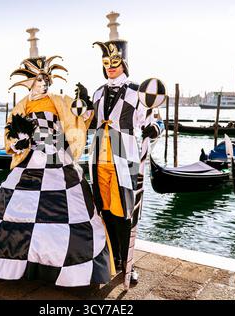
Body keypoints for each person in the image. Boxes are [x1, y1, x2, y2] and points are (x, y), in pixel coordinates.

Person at [0, 33, 114, 287]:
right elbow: (10, 136)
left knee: (67, 211)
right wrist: (17, 141)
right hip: (31, 159)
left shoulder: (60, 101)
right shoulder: (20, 107)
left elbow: (81, 115)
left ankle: (61, 266)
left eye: (46, 79)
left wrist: (86, 103)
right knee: (17, 207)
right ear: (29, 82)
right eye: (39, 79)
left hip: (58, 157)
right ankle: (23, 263)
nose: (43, 83)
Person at [77, 13, 163, 285]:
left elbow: (155, 121)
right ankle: (111, 257)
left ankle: (128, 263)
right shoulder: (99, 92)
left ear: (123, 62)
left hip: (125, 154)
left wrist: (153, 130)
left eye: (114, 62)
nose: (109, 67)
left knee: (125, 211)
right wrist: (80, 108)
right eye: (105, 63)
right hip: (99, 153)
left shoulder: (137, 91)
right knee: (104, 210)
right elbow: (89, 122)